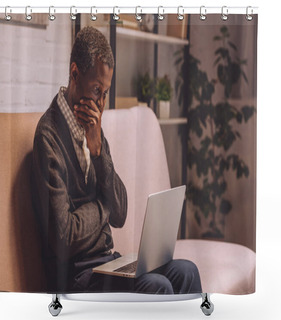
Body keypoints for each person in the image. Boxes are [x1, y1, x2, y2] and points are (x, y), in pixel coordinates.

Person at [31, 26, 202, 294]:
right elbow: (63, 236)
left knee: (186, 271)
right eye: (97, 89)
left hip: (106, 262)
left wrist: (99, 153)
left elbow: (120, 212)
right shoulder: (48, 136)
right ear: (75, 74)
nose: (101, 103)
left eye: (105, 92)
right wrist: (103, 207)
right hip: (77, 276)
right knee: (157, 286)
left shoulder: (93, 127)